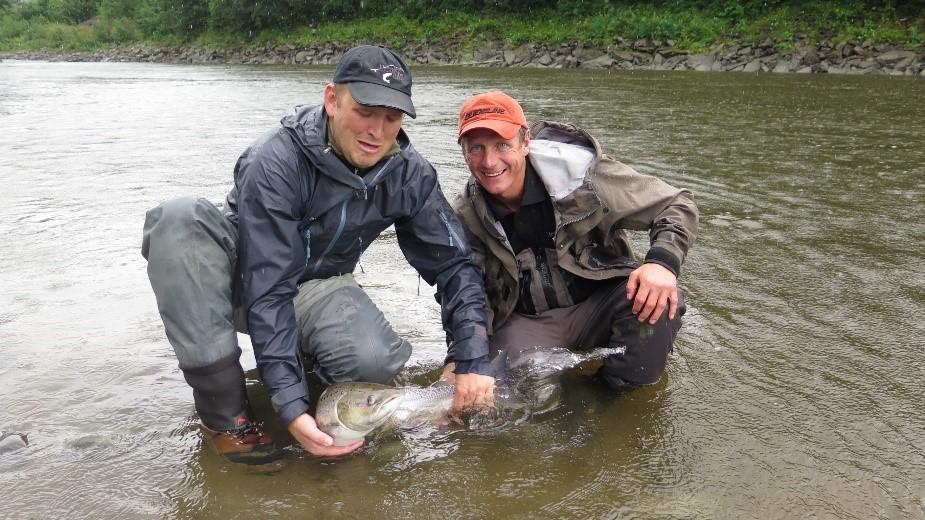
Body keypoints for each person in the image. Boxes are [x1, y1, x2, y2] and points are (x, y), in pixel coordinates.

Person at [141, 45, 494, 465]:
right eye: (365, 110)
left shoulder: (408, 173)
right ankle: (226, 418)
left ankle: (314, 375)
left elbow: (455, 264)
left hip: (314, 285)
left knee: (374, 359)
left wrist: (469, 358)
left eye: (392, 118)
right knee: (179, 220)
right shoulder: (274, 159)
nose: (377, 131)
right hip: (241, 281)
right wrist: (290, 409)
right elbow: (268, 287)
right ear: (332, 99)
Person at [442, 91, 698, 392]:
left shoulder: (584, 178)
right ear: (463, 152)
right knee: (485, 388)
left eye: (502, 145)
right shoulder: (463, 217)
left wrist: (661, 263)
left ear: (525, 143)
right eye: (476, 149)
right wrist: (459, 360)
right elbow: (465, 292)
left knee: (659, 303)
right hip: (528, 321)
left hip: (600, 304)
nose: (489, 161)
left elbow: (677, 204)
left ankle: (610, 397)